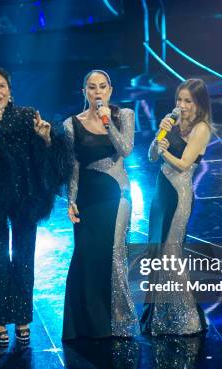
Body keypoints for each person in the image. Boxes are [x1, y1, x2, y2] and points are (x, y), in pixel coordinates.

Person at [0, 66, 72, 347]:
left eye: (1, 86)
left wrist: (46, 136)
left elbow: (43, 154)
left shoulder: (27, 116)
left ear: (10, 91)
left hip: (26, 195)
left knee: (24, 256)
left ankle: (23, 318)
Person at [62, 69, 138, 341]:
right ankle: (86, 323)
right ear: (84, 92)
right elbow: (73, 166)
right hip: (87, 197)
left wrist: (108, 122)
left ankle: (117, 321)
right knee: (86, 255)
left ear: (110, 90)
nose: (97, 92)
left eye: (102, 87)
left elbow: (126, 149)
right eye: (91, 87)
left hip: (116, 196)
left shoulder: (123, 116)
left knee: (113, 255)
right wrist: (70, 199)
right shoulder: (71, 124)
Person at [140, 78, 212, 335]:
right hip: (161, 192)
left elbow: (183, 164)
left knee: (171, 253)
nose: (182, 105)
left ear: (199, 104)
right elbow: (150, 156)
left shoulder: (202, 129)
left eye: (187, 101)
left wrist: (164, 150)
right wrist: (160, 134)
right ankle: (161, 314)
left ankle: (185, 318)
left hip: (179, 194)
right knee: (157, 252)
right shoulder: (171, 122)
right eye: (179, 100)